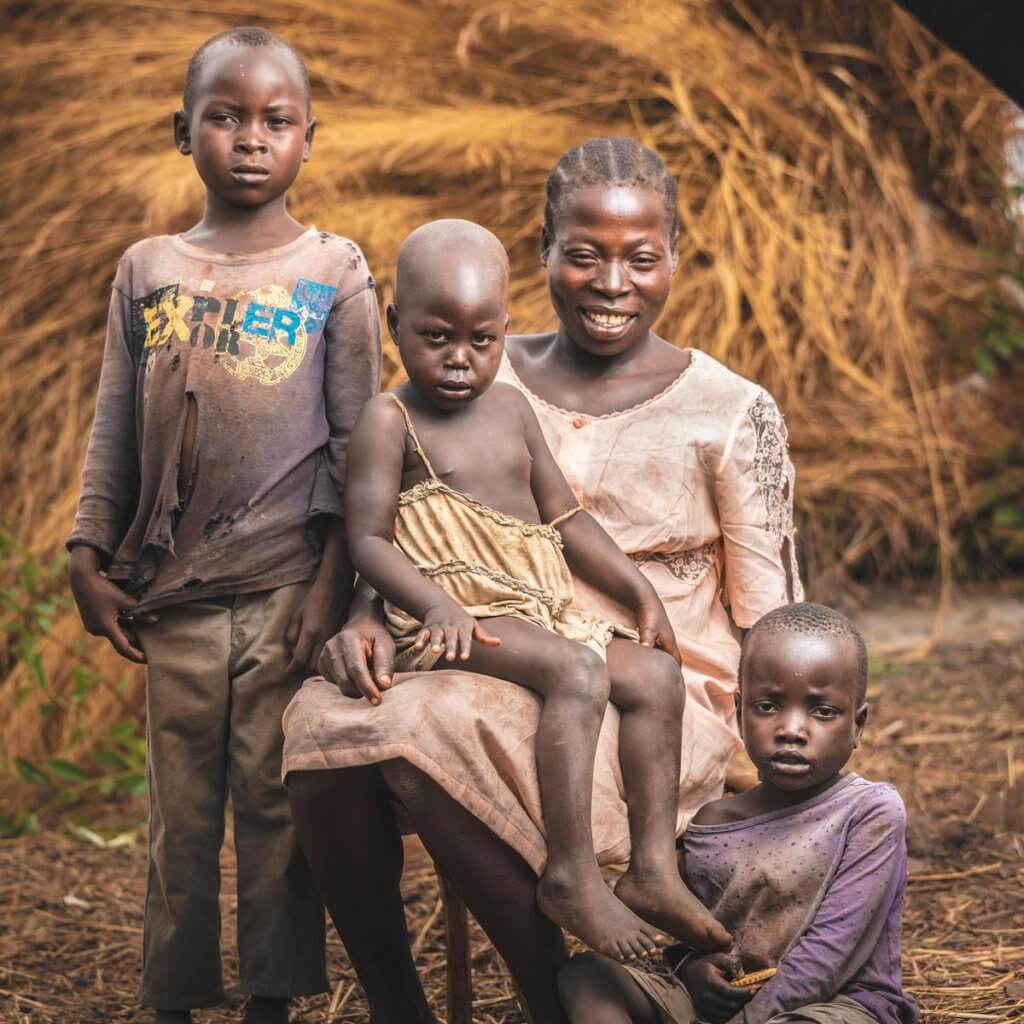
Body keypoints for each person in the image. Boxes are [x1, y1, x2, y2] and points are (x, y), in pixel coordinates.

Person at [283, 137, 803, 1024]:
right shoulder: (478, 364)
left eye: (643, 259)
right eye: (584, 254)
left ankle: (550, 997)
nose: (612, 284)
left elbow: (775, 624)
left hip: (652, 686)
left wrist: (784, 773)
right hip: (480, 636)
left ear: (677, 256)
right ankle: (393, 1003)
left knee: (424, 728)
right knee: (325, 720)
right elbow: (401, 516)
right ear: (543, 254)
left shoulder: (730, 408)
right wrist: (367, 611)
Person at [66, 27, 380, 1024]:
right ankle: (172, 997)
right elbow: (117, 423)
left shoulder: (335, 268)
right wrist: (87, 550)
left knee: (275, 807)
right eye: (226, 116)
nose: (251, 138)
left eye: (275, 120)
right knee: (180, 818)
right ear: (182, 130)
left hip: (292, 589)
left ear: (308, 138)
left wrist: (340, 587)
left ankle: (270, 1002)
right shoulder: (148, 268)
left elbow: (360, 445)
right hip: (175, 599)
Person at [346, 218, 732, 961]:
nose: (460, 360)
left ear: (503, 331)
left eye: (481, 340)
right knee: (576, 669)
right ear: (395, 326)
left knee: (653, 672)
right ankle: (571, 872)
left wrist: (637, 590)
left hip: (533, 602)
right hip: (449, 615)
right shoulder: (388, 420)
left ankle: (651, 868)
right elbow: (365, 539)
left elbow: (565, 517)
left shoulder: (511, 410)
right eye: (436, 338)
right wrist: (435, 603)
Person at [558, 602, 919, 1024]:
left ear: (858, 724)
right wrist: (693, 972)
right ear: (738, 710)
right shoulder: (713, 824)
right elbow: (693, 942)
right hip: (725, 1007)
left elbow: (830, 951)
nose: (792, 729)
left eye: (823, 711)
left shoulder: (869, 813)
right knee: (586, 977)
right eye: (768, 706)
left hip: (838, 1004)